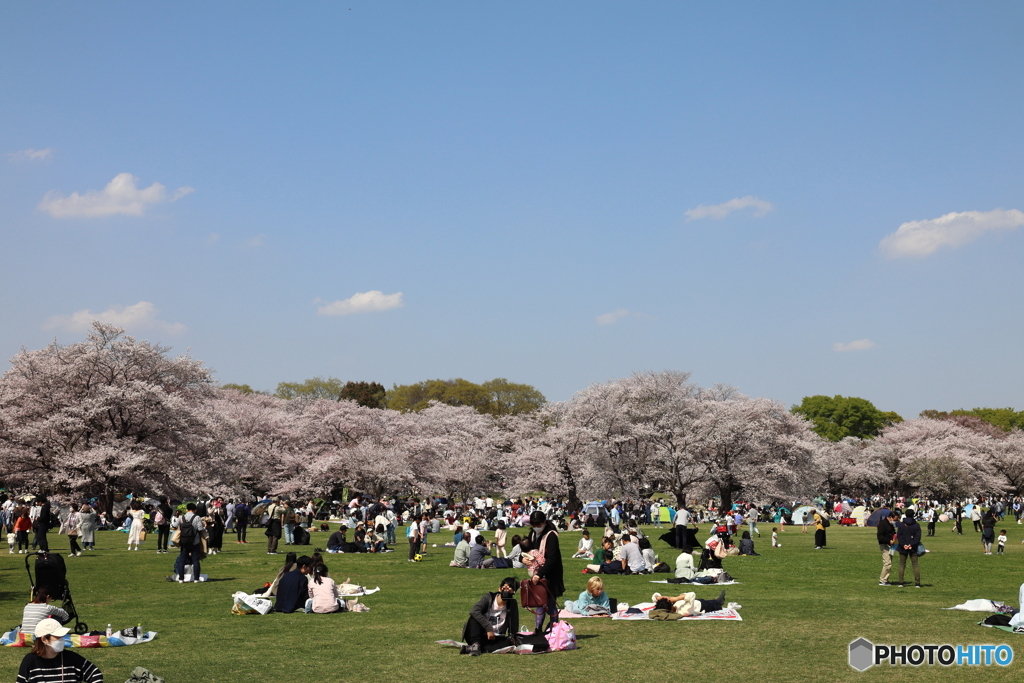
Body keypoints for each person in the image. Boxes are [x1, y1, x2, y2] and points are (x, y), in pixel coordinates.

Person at [17, 618, 102, 683]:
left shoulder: (71, 658)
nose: (62, 640)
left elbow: (95, 674)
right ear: (44, 639)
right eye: (58, 637)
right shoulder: (30, 661)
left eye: (62, 636)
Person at [459, 577, 520, 655]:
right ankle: (476, 644)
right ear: (499, 589)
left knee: (507, 646)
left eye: (510, 588)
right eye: (505, 588)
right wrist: (488, 628)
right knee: (474, 618)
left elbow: (514, 624)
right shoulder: (489, 597)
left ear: (514, 592)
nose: (507, 591)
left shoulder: (512, 604)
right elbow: (474, 611)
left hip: (496, 637)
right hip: (479, 634)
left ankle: (470, 648)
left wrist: (513, 638)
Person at [527, 511, 564, 632]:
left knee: (550, 602)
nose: (536, 527)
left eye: (538, 524)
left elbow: (552, 559)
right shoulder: (533, 534)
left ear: (544, 522)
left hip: (551, 574)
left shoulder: (551, 535)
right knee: (539, 602)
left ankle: (554, 630)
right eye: (533, 525)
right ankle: (538, 629)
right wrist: (523, 558)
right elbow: (525, 550)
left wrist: (540, 573)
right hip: (537, 574)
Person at [648, 590, 727, 619]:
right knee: (715, 604)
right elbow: (692, 594)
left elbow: (655, 595)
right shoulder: (683, 611)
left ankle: (715, 600)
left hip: (695, 602)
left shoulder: (666, 607)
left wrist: (661, 597)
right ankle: (718, 601)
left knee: (705, 600)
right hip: (702, 606)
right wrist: (675, 598)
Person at [176, 502, 204, 583]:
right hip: (195, 541)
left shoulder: (181, 517)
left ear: (186, 510)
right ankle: (196, 578)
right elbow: (200, 529)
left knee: (182, 560)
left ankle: (181, 579)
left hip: (184, 541)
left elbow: (174, 525)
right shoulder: (197, 517)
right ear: (195, 510)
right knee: (195, 560)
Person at [895, 509, 922, 588]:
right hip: (913, 547)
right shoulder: (916, 525)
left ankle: (900, 582)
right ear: (913, 515)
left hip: (903, 547)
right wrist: (911, 544)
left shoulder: (901, 525)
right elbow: (917, 537)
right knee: (915, 565)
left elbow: (899, 536)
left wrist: (904, 545)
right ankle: (917, 583)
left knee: (902, 564)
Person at [877, 510, 897, 586]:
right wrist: (889, 541)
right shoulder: (882, 524)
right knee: (887, 563)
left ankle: (885, 579)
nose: (895, 521)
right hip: (885, 545)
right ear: (890, 517)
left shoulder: (889, 524)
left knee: (889, 563)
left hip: (891, 545)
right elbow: (880, 537)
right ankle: (882, 580)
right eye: (895, 519)